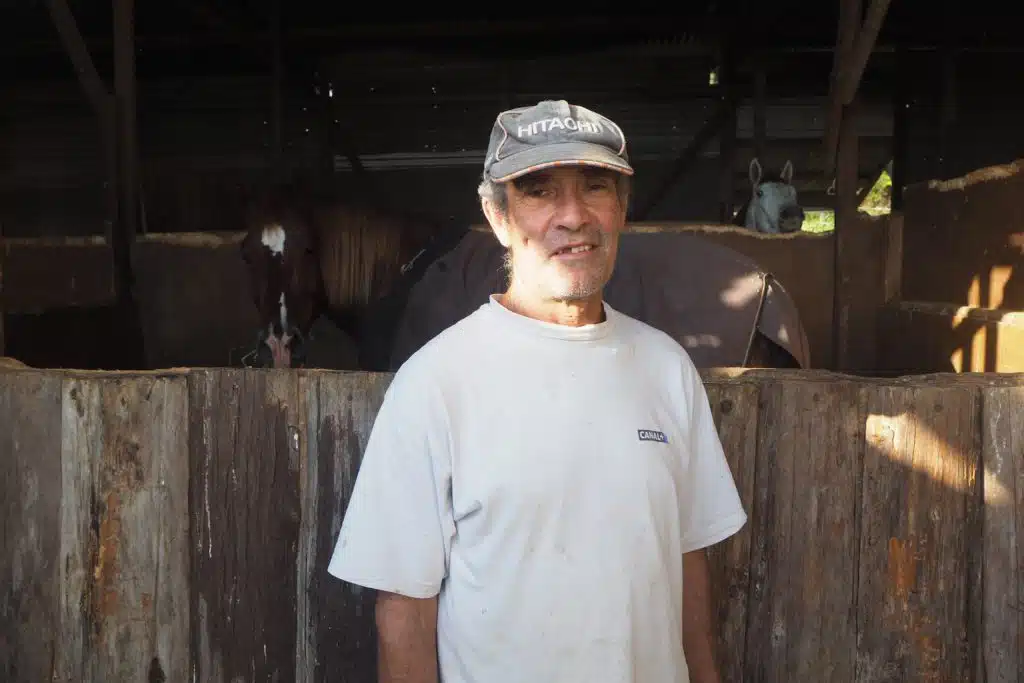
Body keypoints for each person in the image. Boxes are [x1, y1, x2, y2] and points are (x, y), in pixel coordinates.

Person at [327, 99, 748, 683]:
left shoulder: (666, 369)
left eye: (595, 187)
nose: (572, 216)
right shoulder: (436, 383)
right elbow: (402, 611)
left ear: (622, 209)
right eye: (538, 190)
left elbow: (688, 563)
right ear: (497, 216)